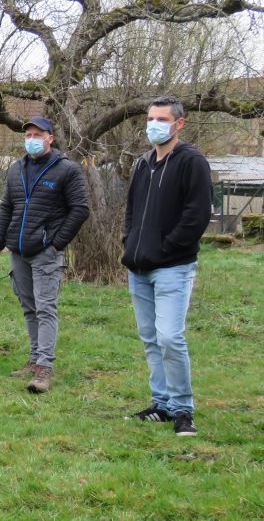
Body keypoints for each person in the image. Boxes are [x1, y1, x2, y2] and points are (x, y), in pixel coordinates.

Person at [123, 96, 212, 436]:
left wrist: (164, 249)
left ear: (179, 124)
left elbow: (197, 216)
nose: (154, 125)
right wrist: (129, 244)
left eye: (162, 119)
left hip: (173, 267)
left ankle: (183, 410)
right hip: (138, 268)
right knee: (150, 338)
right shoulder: (143, 163)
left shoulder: (192, 162)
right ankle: (161, 404)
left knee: (170, 337)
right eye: (150, 118)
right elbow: (131, 211)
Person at [0, 116, 89, 393]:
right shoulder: (16, 169)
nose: (31, 139)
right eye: (28, 134)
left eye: (37, 134)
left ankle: (45, 368)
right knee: (29, 307)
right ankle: (33, 359)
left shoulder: (67, 170)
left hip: (45, 252)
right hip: (18, 250)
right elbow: (7, 208)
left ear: (50, 138)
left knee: (46, 308)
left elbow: (80, 209)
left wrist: (56, 244)